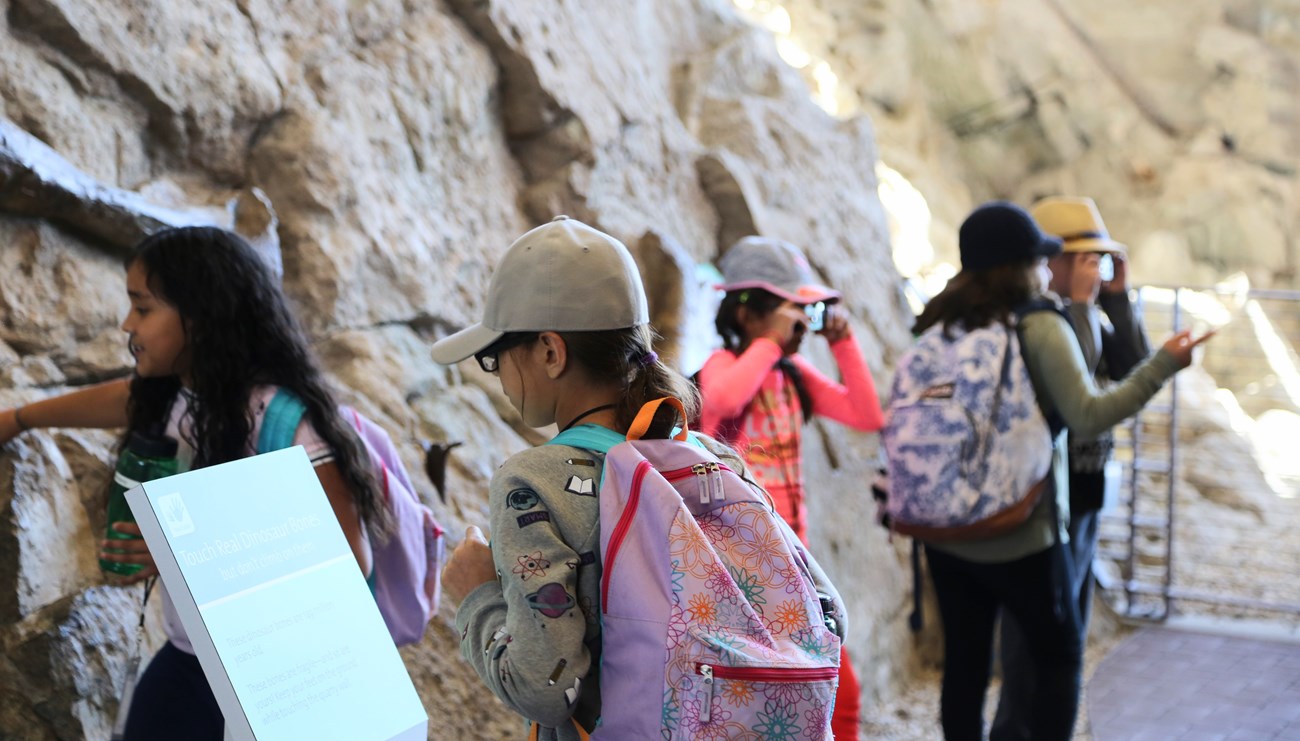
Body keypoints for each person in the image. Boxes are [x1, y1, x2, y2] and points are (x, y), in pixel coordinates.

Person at [433, 216, 846, 740]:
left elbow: (542, 687)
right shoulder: (710, 457)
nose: (498, 376)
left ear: (550, 351)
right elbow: (830, 618)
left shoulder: (531, 483)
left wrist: (475, 595)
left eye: (495, 358)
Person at [0, 226, 389, 740]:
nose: (125, 324)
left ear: (202, 318)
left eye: (142, 308)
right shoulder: (175, 394)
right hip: (191, 658)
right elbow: (123, 398)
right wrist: (21, 418)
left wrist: (181, 552)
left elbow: (349, 561)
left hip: (276, 676)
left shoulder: (281, 421)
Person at [914, 202, 1211, 741]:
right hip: (1021, 523)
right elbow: (1090, 414)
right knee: (1058, 657)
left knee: (965, 667)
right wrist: (1165, 363)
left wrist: (1108, 302)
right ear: (1030, 264)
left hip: (947, 526)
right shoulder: (1041, 325)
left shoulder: (938, 323)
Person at [697, 235, 884, 740]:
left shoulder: (791, 373)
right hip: (741, 565)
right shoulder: (723, 367)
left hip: (796, 559)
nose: (801, 325)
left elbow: (866, 415)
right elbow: (726, 397)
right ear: (746, 314)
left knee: (840, 691)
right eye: (790, 312)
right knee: (770, 691)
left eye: (806, 314)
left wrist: (842, 342)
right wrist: (768, 344)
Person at [991, 196, 1151, 741]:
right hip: (1042, 496)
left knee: (1068, 626)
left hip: (1085, 488)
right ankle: (1015, 729)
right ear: (1053, 260)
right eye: (1086, 258)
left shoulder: (1088, 314)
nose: (1095, 269)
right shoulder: (1039, 319)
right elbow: (1077, 399)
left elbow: (1134, 372)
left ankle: (1040, 725)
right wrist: (1083, 305)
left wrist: (1119, 298)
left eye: (1101, 260)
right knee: (1033, 633)